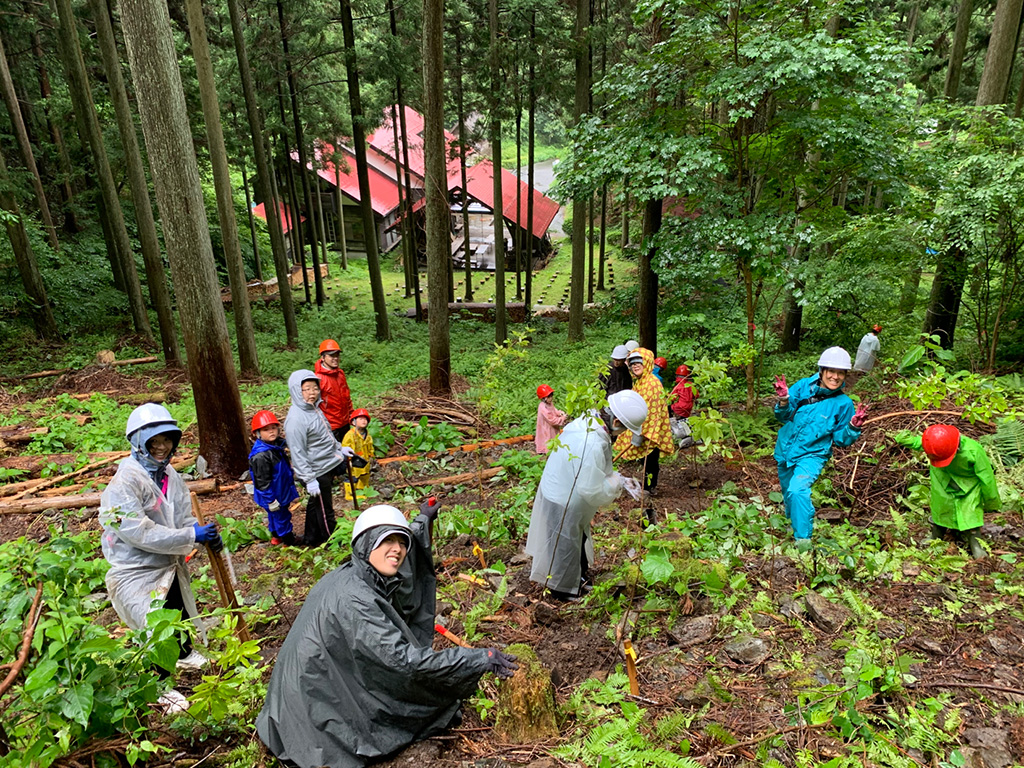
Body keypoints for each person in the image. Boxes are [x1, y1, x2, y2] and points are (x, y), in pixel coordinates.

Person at [257, 503, 517, 768]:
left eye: (402, 542)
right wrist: (476, 659)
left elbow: (404, 562)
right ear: (366, 544)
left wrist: (421, 524)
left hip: (293, 706)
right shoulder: (356, 601)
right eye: (387, 540)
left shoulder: (351, 575)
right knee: (418, 706)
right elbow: (405, 663)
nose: (398, 549)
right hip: (311, 724)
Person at [100, 403, 221, 714]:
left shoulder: (169, 475)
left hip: (168, 560)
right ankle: (159, 685)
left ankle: (183, 652)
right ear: (139, 442)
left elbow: (180, 514)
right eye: (154, 441)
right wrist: (190, 538)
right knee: (153, 623)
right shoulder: (126, 481)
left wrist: (197, 529)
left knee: (176, 607)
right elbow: (138, 532)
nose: (162, 447)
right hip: (136, 568)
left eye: (167, 440)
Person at [526, 390, 647, 601]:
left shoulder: (590, 421)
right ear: (616, 420)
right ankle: (562, 590)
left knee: (576, 538)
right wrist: (619, 483)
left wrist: (619, 479)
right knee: (564, 542)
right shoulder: (590, 441)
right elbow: (591, 488)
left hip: (563, 487)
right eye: (625, 428)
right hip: (563, 496)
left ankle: (578, 579)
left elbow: (593, 472)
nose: (623, 433)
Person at [773, 347, 868, 545]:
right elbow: (783, 416)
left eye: (840, 373)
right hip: (786, 450)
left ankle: (803, 542)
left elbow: (841, 439)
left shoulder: (843, 404)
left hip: (813, 454)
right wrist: (783, 400)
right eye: (831, 371)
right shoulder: (803, 387)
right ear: (822, 370)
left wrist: (852, 427)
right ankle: (791, 527)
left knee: (798, 490)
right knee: (788, 492)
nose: (835, 377)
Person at [894, 425, 999, 559]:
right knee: (940, 509)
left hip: (969, 487)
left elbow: (987, 478)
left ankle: (976, 545)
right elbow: (913, 441)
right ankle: (936, 536)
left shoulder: (974, 450)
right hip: (942, 482)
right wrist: (902, 436)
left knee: (970, 513)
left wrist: (991, 502)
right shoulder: (935, 443)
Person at [285, 370, 356, 546]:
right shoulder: (296, 419)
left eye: (315, 388)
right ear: (296, 391)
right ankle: (332, 541)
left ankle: (311, 538)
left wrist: (340, 448)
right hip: (316, 471)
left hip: (325, 464)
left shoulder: (314, 409)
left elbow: (325, 436)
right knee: (326, 510)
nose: (312, 393)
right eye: (306, 389)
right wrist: (309, 479)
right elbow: (297, 452)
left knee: (315, 504)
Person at [614, 349, 675, 496]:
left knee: (650, 459)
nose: (635, 366)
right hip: (641, 427)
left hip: (650, 429)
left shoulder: (652, 383)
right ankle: (647, 485)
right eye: (633, 364)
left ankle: (650, 487)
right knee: (644, 458)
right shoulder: (640, 382)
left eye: (638, 363)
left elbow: (652, 410)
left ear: (646, 363)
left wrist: (643, 430)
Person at [248, 410, 299, 545]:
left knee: (275, 516)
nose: (271, 432)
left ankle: (276, 537)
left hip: (280, 490)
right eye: (266, 429)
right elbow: (262, 482)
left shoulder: (275, 447)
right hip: (274, 494)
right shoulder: (261, 456)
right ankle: (289, 541)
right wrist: (270, 500)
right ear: (257, 433)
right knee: (282, 517)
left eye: (273, 428)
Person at [316, 339, 354, 442]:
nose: (335, 358)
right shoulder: (317, 379)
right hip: (330, 427)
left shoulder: (340, 374)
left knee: (348, 452)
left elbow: (347, 397)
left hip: (345, 423)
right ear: (323, 357)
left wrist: (352, 416)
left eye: (337, 355)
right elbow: (314, 406)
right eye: (332, 356)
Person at [341, 408, 374, 501]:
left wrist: (371, 455)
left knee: (365, 475)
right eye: (360, 419)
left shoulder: (367, 434)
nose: (363, 421)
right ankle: (349, 494)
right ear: (354, 422)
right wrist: (348, 459)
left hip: (365, 459)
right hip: (354, 461)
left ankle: (362, 489)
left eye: (365, 419)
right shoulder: (350, 435)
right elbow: (345, 447)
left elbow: (370, 445)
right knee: (353, 477)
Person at [669, 364, 699, 447]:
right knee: (684, 420)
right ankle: (688, 434)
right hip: (689, 406)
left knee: (668, 410)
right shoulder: (691, 385)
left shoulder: (678, 386)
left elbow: (672, 398)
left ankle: (675, 432)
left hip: (680, 406)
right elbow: (696, 395)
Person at [534, 384, 569, 454]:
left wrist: (560, 413)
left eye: (551, 396)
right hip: (546, 428)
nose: (551, 398)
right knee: (547, 441)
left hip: (552, 429)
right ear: (544, 398)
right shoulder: (542, 407)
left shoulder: (550, 404)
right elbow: (551, 420)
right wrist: (562, 418)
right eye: (549, 397)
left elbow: (554, 410)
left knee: (554, 439)